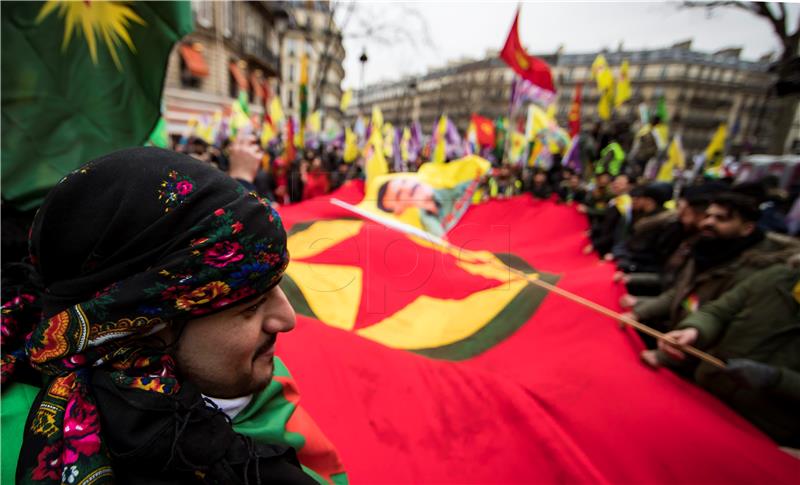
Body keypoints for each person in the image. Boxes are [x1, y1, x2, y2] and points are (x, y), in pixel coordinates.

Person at [0, 148, 330, 484]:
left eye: (277, 287)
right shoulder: (8, 443)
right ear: (143, 326)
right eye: (250, 305)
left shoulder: (257, 374)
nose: (287, 319)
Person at [627, 192, 800, 357]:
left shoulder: (756, 270)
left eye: (721, 219)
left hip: (697, 360)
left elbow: (724, 323)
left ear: (747, 228)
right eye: (708, 216)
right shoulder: (704, 248)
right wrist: (640, 312)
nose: (708, 222)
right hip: (675, 338)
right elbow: (681, 292)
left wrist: (665, 357)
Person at [655, 263, 800, 447]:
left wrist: (776, 379)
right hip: (707, 390)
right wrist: (695, 331)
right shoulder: (777, 277)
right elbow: (717, 312)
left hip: (763, 428)